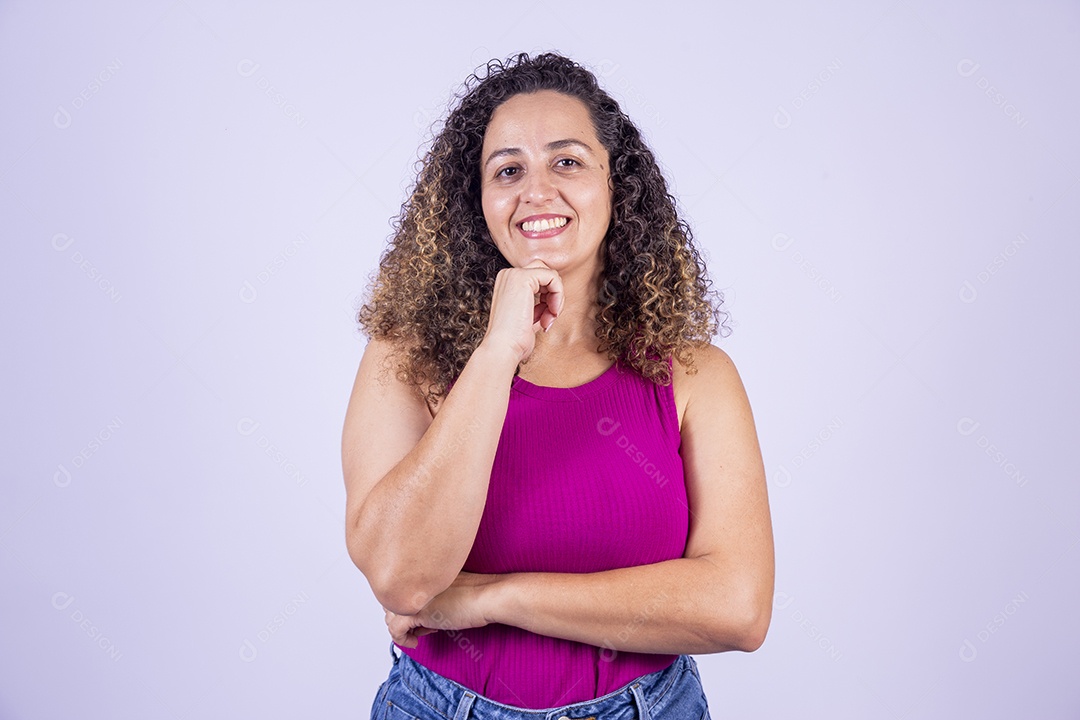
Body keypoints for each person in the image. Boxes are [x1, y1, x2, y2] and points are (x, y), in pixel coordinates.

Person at [342, 51, 774, 720]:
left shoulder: (693, 375)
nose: (537, 192)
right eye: (508, 170)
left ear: (615, 183)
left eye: (567, 161)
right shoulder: (408, 357)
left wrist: (489, 599)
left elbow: (737, 608)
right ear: (477, 202)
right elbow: (402, 576)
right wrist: (497, 352)